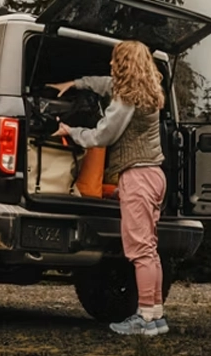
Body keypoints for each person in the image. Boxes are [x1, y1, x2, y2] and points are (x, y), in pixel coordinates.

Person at [48, 40, 169, 336]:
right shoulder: (149, 91)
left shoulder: (126, 100)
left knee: (140, 251)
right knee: (150, 251)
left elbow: (103, 135)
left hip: (137, 178)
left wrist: (71, 131)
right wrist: (76, 83)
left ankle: (144, 318)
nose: (112, 65)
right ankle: (155, 317)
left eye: (116, 60)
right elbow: (106, 84)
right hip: (154, 175)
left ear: (125, 63)